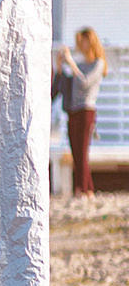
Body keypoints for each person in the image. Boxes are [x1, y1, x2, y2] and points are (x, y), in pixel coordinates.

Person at [58, 28, 106, 196]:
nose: (81, 44)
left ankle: (82, 189)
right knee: (75, 151)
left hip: (87, 110)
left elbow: (85, 83)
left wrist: (71, 64)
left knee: (82, 150)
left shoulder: (98, 63)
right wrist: (60, 67)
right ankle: (87, 189)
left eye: (84, 40)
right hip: (73, 111)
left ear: (91, 41)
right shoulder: (79, 64)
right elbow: (65, 87)